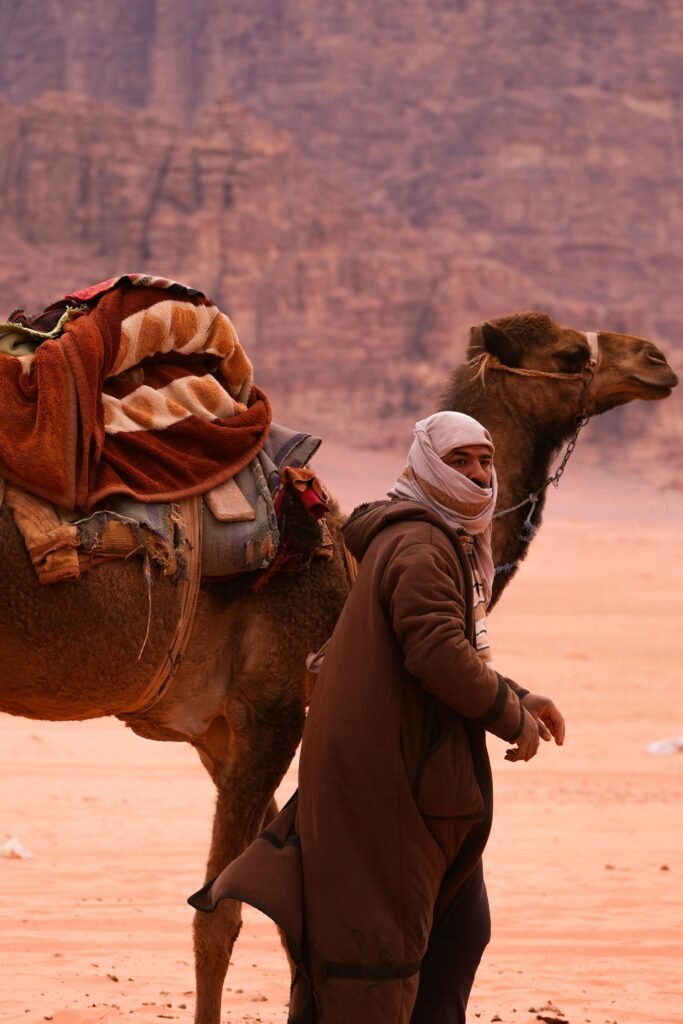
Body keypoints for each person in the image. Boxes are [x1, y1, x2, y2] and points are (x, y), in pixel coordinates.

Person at [189, 410, 565, 1023]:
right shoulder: (422, 545)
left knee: (449, 937)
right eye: (459, 461)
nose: (478, 474)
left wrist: (516, 696)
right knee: (374, 969)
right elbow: (437, 650)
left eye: (485, 460)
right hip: (392, 788)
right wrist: (509, 716)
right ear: (425, 467)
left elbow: (436, 643)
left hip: (415, 783)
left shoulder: (435, 539)